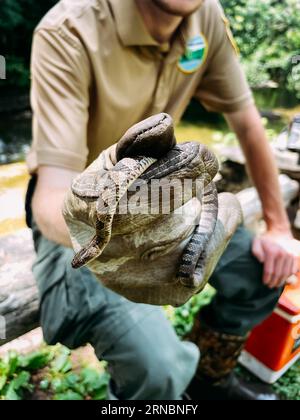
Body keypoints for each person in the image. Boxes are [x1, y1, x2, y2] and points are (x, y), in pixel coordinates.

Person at [25, 0, 298, 400]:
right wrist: (102, 235)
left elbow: (247, 119)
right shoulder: (67, 28)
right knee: (160, 367)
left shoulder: (205, 15)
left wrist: (277, 225)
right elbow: (49, 198)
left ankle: (210, 379)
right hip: (75, 220)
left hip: (169, 198)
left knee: (260, 272)